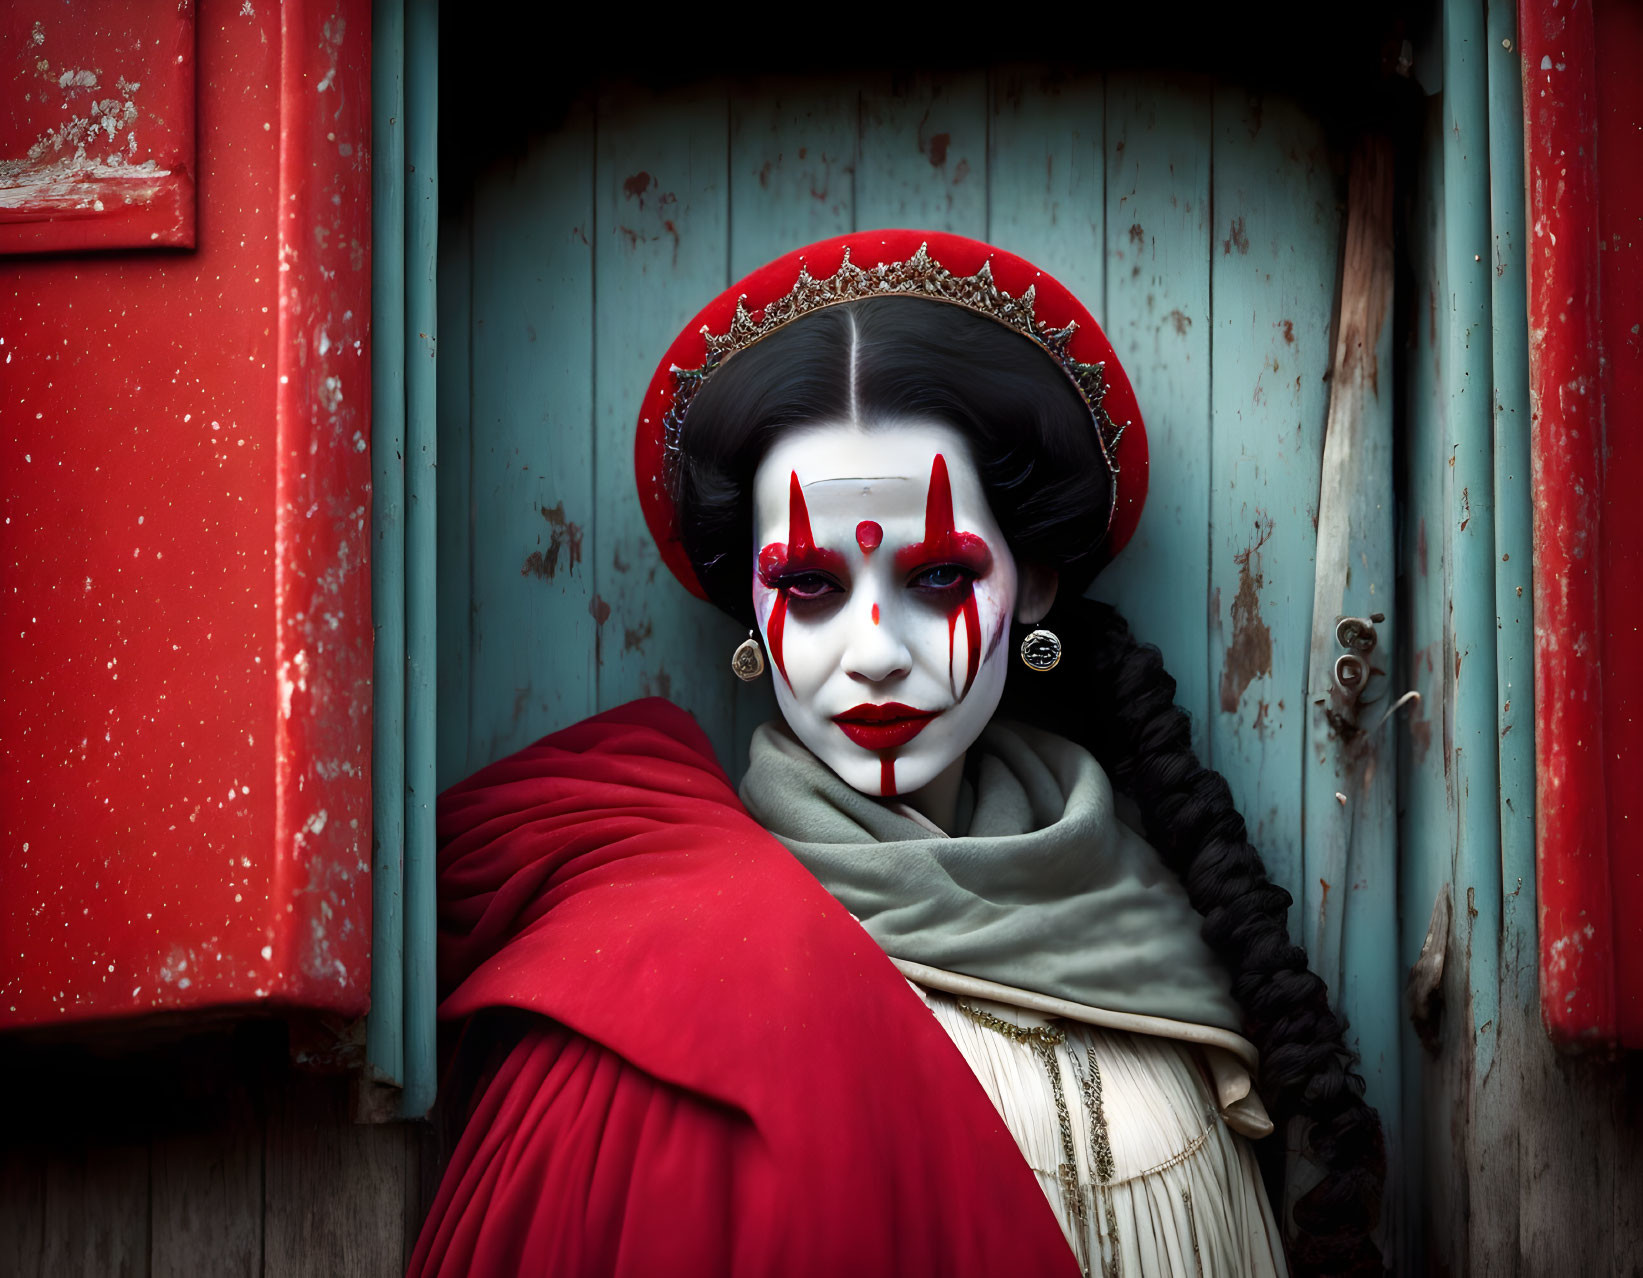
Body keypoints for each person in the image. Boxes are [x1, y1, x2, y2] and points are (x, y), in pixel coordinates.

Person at [409, 231, 1384, 1278]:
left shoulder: (1169, 938)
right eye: (811, 588)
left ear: (1038, 581)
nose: (873, 654)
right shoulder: (645, 981)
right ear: (748, 597)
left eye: (935, 577)